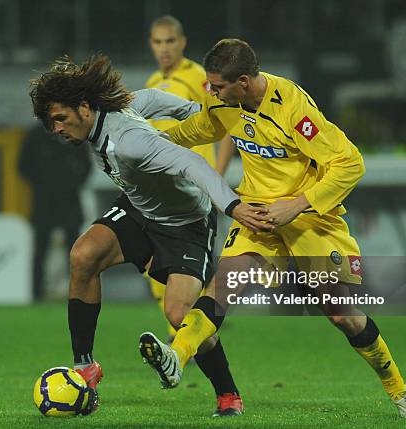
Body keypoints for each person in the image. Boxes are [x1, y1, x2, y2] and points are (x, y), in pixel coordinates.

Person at [138, 39, 406, 419]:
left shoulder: (292, 107)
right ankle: (176, 355)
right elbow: (204, 127)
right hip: (258, 214)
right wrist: (153, 141)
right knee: (223, 286)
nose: (211, 91)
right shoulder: (223, 98)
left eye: (218, 86)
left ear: (244, 81)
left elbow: (350, 163)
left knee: (344, 315)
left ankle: (399, 388)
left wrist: (297, 204)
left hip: (310, 216)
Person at [29, 54, 268, 416]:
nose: (56, 129)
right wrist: (191, 110)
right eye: (51, 123)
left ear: (83, 107)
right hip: (140, 209)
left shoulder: (132, 142)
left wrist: (232, 206)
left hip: (186, 223)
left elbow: (193, 164)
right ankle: (85, 367)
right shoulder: (110, 112)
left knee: (178, 315)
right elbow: (151, 98)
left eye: (60, 118)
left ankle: (227, 393)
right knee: (83, 255)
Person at [145, 15, 235, 341]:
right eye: (157, 42)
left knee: (190, 267)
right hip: (160, 190)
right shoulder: (154, 80)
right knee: (154, 264)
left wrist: (217, 178)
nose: (164, 48)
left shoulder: (199, 76)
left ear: (182, 42)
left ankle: (189, 336)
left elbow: (226, 126)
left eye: (170, 41)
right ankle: (181, 334)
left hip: (193, 188)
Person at [18, 122, 91, 301]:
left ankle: (78, 293)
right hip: (45, 202)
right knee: (40, 249)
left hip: (68, 200)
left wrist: (72, 182)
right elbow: (22, 166)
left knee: (75, 250)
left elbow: (86, 165)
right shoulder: (35, 135)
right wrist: (42, 183)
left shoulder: (72, 133)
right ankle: (35, 293)